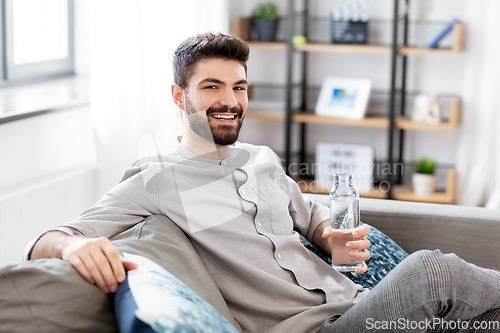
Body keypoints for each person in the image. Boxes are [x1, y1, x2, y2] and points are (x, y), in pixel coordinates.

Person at [29, 32, 500, 333]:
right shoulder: (156, 179)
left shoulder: (263, 159)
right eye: (211, 86)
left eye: (239, 87)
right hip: (310, 330)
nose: (229, 100)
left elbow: (309, 214)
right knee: (430, 272)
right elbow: (51, 239)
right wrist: (70, 248)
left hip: (357, 304)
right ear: (179, 95)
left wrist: (327, 237)